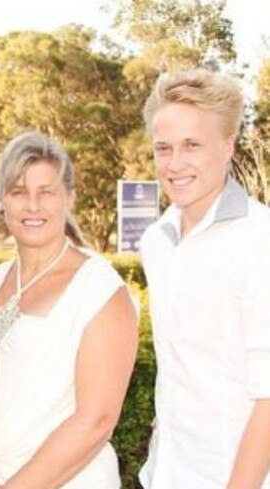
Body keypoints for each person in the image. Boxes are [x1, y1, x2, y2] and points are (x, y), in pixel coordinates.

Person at [0, 131, 139, 488]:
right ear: (2, 201)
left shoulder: (101, 290)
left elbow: (96, 420)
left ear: (69, 197)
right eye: (18, 192)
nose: (32, 206)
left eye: (46, 192)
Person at [139, 69, 270, 488]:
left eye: (192, 145)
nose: (175, 164)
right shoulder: (155, 242)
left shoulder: (259, 239)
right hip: (167, 474)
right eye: (164, 148)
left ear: (228, 146)